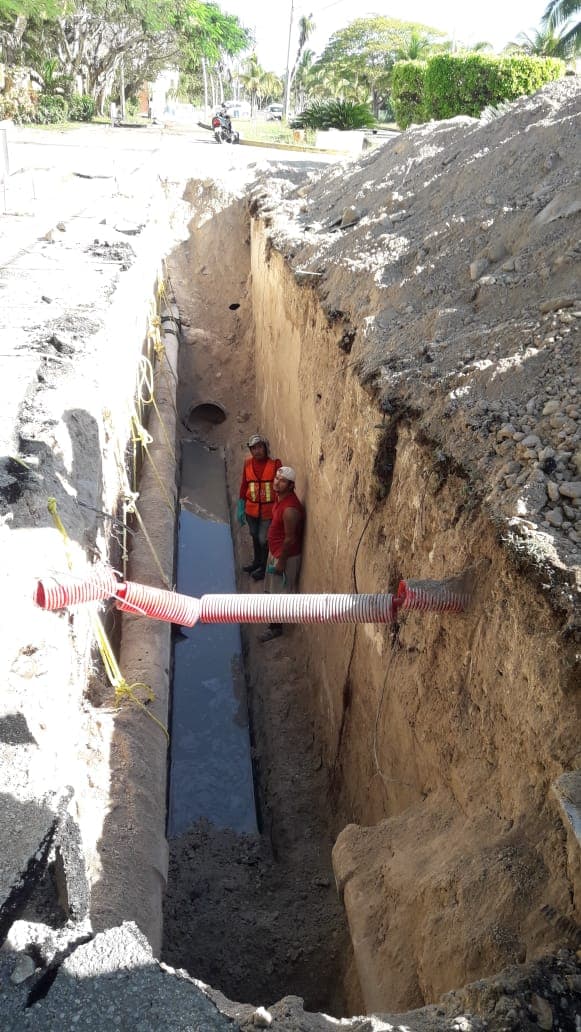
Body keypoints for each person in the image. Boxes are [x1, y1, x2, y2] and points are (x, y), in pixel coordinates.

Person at [259, 466, 305, 643]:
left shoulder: (290, 510)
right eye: (276, 479)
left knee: (279, 595)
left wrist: (281, 562)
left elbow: (290, 539)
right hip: (276, 552)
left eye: (282, 481)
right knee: (273, 591)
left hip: (284, 557)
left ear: (291, 485)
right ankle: (273, 621)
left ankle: (275, 628)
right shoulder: (281, 500)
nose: (277, 482)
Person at [237, 435, 281, 581]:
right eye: (254, 448)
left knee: (263, 539)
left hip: (268, 512)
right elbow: (245, 485)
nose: (257, 451)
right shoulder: (247, 464)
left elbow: (281, 487)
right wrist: (241, 505)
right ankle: (256, 563)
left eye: (260, 447)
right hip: (251, 510)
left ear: (265, 448)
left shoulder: (275, 465)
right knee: (255, 536)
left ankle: (263, 568)